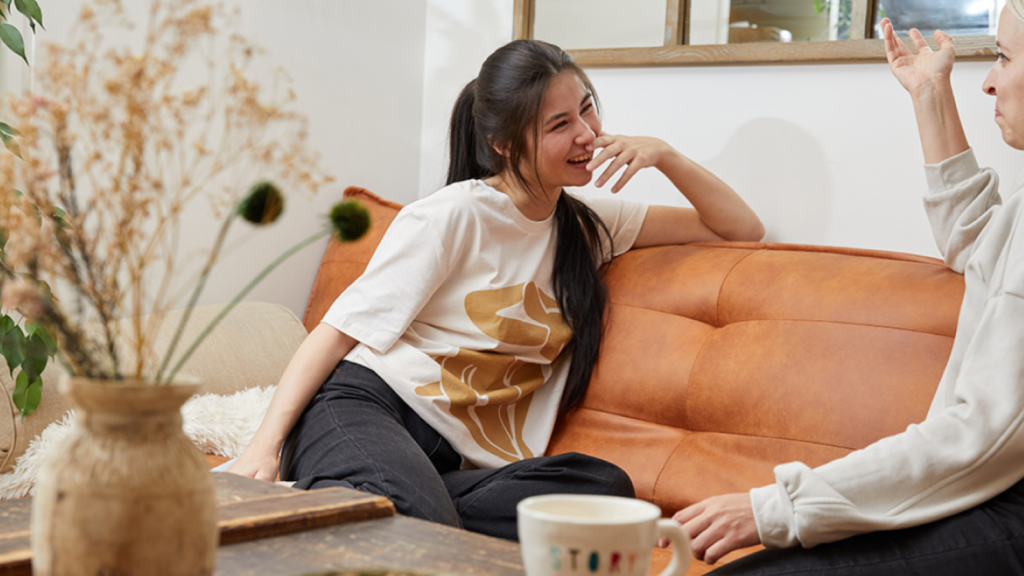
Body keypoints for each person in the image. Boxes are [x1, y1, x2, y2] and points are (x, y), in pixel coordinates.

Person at [225, 39, 763, 540]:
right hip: (368, 408)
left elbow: (738, 227)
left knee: (606, 492)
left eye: (587, 108)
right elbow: (337, 333)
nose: (587, 134)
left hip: (455, 465)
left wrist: (665, 155)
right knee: (418, 527)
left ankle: (372, 499)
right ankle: (382, 497)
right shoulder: (451, 216)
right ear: (503, 144)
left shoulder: (588, 225)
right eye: (559, 124)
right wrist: (263, 448)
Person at [670, 5, 1024, 575]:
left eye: (1003, 57)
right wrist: (930, 96)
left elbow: (981, 435)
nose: (988, 80)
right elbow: (979, 246)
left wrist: (774, 507)